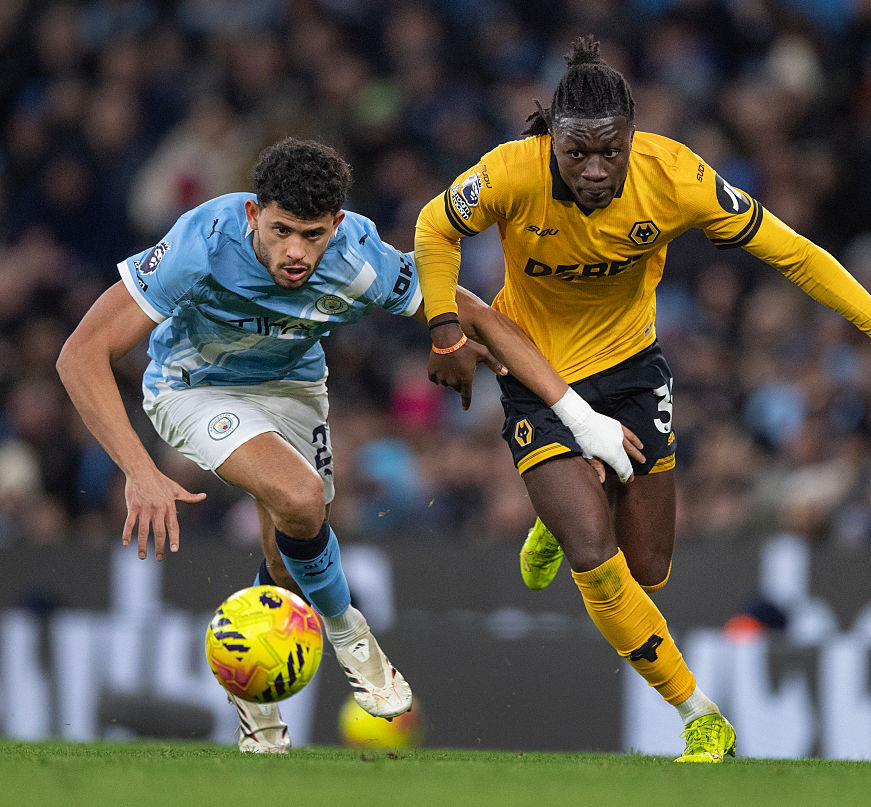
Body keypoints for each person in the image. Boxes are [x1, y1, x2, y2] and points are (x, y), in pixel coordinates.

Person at [414, 36, 871, 762]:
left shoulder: (676, 176)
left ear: (633, 137)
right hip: (535, 372)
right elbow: (436, 227)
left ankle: (559, 521)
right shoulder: (508, 172)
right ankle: (697, 712)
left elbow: (792, 249)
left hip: (631, 373)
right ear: (549, 138)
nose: (594, 170)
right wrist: (443, 331)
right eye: (576, 153)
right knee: (597, 553)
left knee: (648, 567)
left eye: (609, 152)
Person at [56, 137, 641, 753]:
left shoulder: (358, 256)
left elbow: (481, 320)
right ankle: (349, 634)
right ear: (254, 214)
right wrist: (139, 471)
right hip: (194, 386)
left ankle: (257, 711)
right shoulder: (201, 244)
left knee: (287, 556)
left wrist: (583, 420)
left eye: (312, 235)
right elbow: (80, 354)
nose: (295, 252)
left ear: (336, 225)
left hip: (294, 387)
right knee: (303, 498)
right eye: (280, 230)